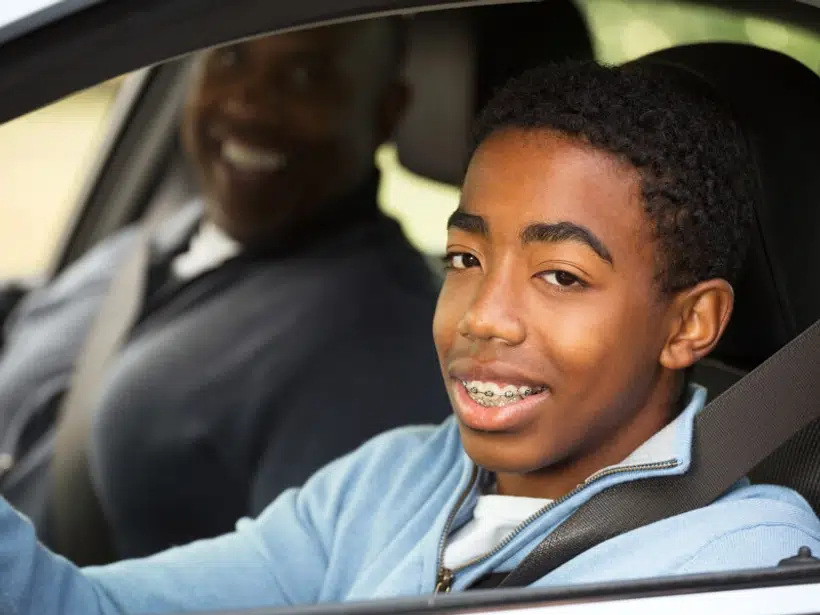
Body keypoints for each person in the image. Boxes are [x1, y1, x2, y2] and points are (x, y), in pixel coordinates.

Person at [2, 56, 820, 615]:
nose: (483, 315)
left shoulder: (743, 565)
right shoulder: (392, 479)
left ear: (689, 323)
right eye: (465, 257)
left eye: (561, 276)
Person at [0, 18, 451, 560]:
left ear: (386, 112)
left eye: (305, 77)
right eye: (231, 57)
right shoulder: (150, 243)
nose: (249, 103)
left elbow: (318, 582)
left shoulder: (377, 340)